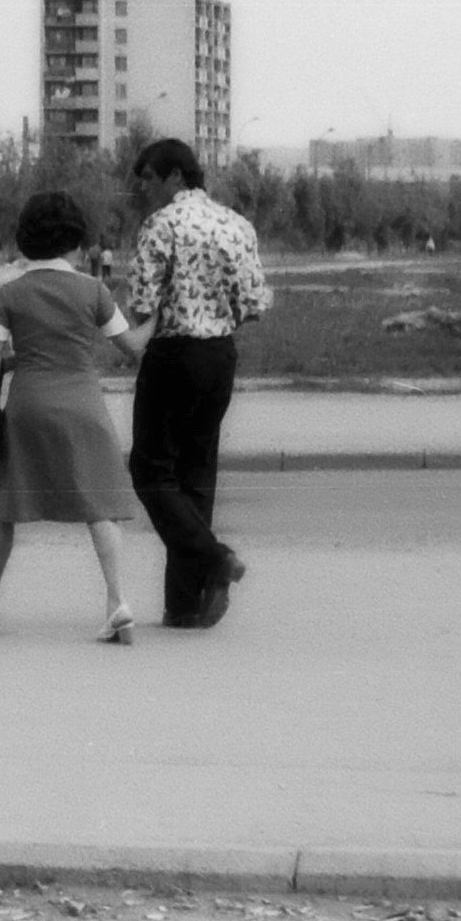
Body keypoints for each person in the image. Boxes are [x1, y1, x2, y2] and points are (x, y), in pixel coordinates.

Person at [0, 191, 148, 645]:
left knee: (4, 508)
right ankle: (116, 603)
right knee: (100, 508)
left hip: (29, 409)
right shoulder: (93, 290)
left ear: (26, 241)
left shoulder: (10, 293)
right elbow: (133, 346)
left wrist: (25, 358)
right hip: (85, 409)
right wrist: (158, 316)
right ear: (77, 243)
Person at [124, 138, 273, 630]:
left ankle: (215, 557)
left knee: (150, 471)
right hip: (219, 356)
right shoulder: (236, 224)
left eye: (146, 177)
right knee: (196, 474)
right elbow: (255, 302)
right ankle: (184, 606)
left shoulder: (161, 225)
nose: (141, 187)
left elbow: (143, 304)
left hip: (172, 355)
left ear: (173, 177)